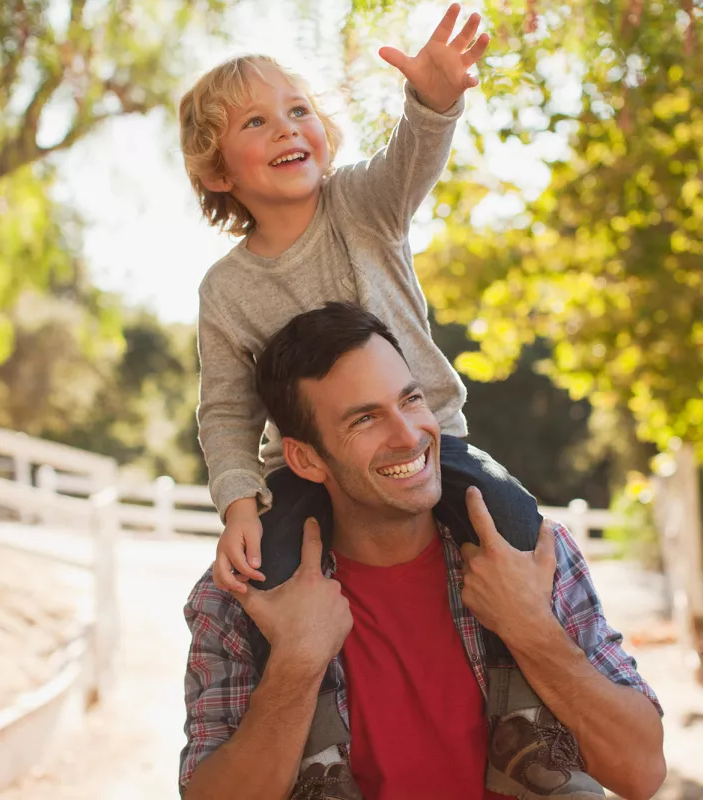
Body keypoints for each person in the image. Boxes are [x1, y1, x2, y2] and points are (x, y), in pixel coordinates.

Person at [178, 5, 596, 796]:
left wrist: (434, 101)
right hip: (309, 471)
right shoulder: (226, 290)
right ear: (218, 172)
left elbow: (414, 157)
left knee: (511, 524)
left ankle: (523, 728)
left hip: (435, 438)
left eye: (297, 110)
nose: (285, 128)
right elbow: (226, 411)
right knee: (271, 573)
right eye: (256, 122)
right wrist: (238, 502)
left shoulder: (362, 206)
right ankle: (321, 758)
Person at [179, 304, 666, 800]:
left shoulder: (531, 553)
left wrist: (531, 629)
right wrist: (297, 663)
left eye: (410, 400)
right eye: (365, 419)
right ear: (306, 458)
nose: (409, 436)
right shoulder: (242, 595)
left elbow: (642, 772)